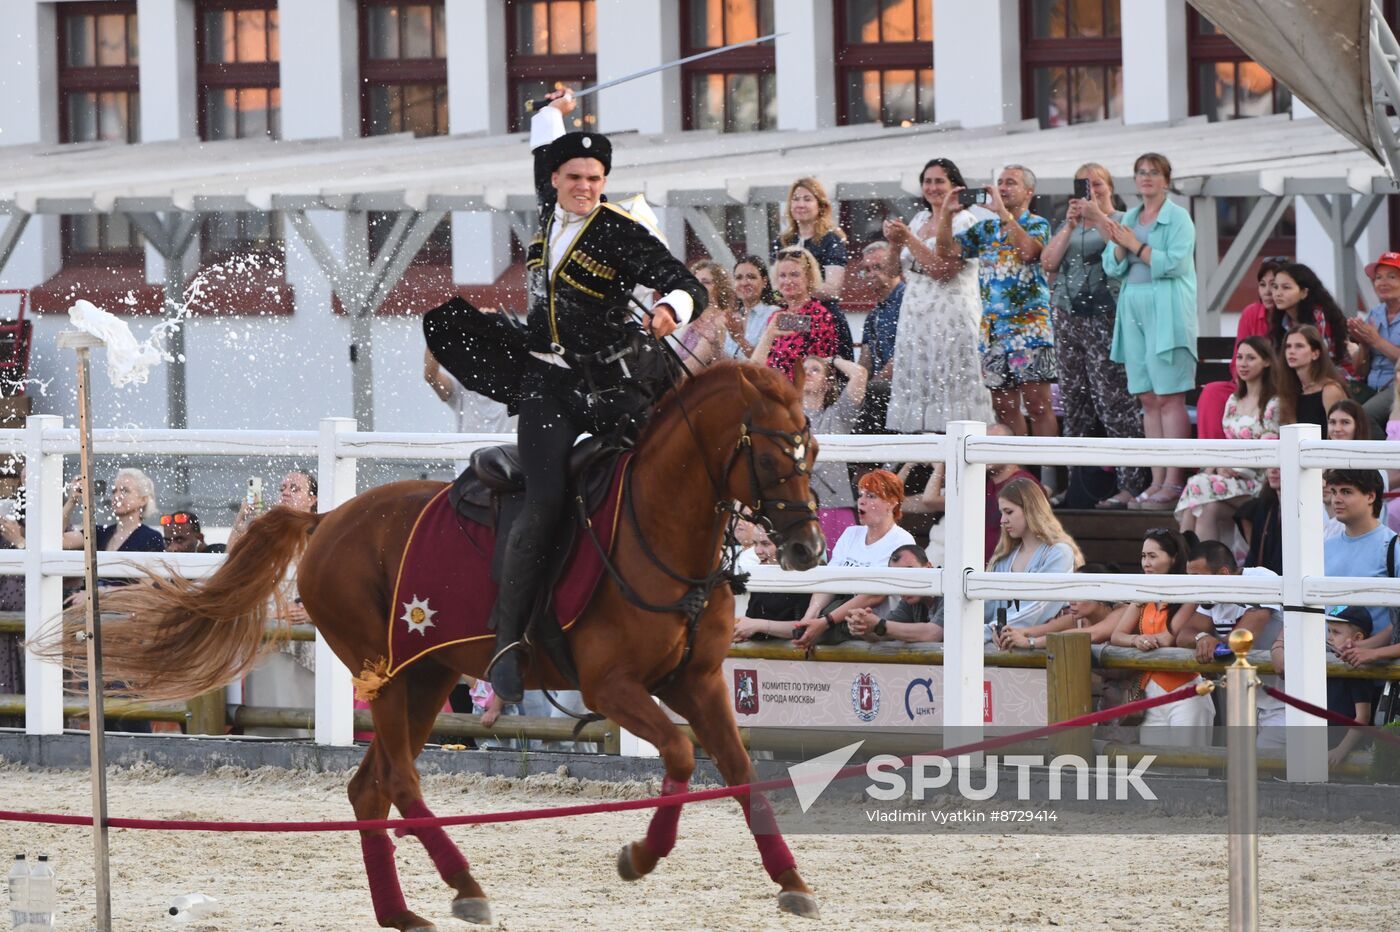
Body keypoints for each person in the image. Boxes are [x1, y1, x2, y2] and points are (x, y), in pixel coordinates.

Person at [422, 89, 707, 702]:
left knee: (667, 475)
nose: (585, 186)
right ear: (553, 179)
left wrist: (666, 310)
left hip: (609, 385)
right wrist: (554, 109)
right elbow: (541, 139)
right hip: (548, 384)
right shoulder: (548, 207)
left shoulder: (619, 232)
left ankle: (677, 606)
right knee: (545, 498)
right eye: (575, 176)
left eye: (596, 178)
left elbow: (685, 283)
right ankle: (508, 641)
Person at [1042, 161, 1147, 508]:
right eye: (1083, 186)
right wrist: (1071, 223)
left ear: (1110, 186)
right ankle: (1078, 484)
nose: (1091, 191)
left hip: (1106, 314)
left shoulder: (1122, 218)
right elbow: (1049, 262)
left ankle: (1129, 483)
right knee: (1075, 401)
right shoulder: (1070, 223)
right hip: (1068, 315)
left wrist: (1098, 213)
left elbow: (1120, 247)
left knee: (1113, 399)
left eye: (1097, 184)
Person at [1101, 152, 1197, 511]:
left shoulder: (1179, 218)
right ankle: (1156, 479)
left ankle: (1174, 481)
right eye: (1141, 172)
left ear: (1166, 180)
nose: (1146, 178)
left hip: (1167, 308)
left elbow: (1175, 263)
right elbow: (1112, 263)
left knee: (1170, 396)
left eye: (1153, 173)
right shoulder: (1128, 216)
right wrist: (1125, 247)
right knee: (1147, 397)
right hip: (1134, 306)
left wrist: (1135, 246)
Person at [936, 164, 1057, 437]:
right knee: (1004, 408)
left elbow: (1029, 252)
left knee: (1038, 405)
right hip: (994, 332)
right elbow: (945, 251)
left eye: (1010, 183)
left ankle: (1048, 475)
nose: (1002, 188)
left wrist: (1003, 213)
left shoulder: (1038, 223)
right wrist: (946, 213)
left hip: (1030, 330)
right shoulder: (985, 229)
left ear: (1029, 191)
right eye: (1000, 182)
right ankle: (1018, 473)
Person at [880, 158, 995, 434]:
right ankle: (921, 460)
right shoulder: (919, 219)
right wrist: (895, 245)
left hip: (951, 314)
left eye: (939, 181)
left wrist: (908, 238)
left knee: (953, 382)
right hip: (917, 315)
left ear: (955, 186)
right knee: (922, 381)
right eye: (927, 181)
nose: (932, 187)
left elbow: (943, 270)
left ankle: (956, 448)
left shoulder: (965, 221)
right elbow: (890, 271)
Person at [1109, 527, 1214, 745]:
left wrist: (1142, 640)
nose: (1145, 563)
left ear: (1173, 558)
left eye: (1152, 556)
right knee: (1155, 766)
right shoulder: (1142, 592)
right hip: (1149, 691)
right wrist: (1136, 640)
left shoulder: (1189, 593)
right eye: (1143, 556)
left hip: (1186, 690)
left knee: (1190, 766)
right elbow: (1117, 635)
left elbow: (1168, 638)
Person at [792, 470, 915, 651]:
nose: (861, 501)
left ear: (892, 502)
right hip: (841, 627)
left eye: (871, 496)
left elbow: (875, 594)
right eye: (860, 495)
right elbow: (830, 581)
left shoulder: (902, 541)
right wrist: (811, 616)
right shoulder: (851, 533)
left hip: (878, 636)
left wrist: (825, 622)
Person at [1178, 540, 1285, 745]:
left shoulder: (1261, 579)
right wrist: (1203, 638)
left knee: (1260, 765)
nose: (1194, 585)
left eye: (1198, 578)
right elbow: (1184, 634)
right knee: (1240, 767)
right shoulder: (1211, 595)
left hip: (1286, 702)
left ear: (1224, 574)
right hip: (1247, 700)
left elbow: (1242, 637)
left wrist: (1214, 644)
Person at [1174, 336, 1279, 542]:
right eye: (1239, 357)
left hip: (1258, 480)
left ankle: (1179, 558)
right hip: (1227, 477)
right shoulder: (1233, 400)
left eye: (1251, 358)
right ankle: (1196, 566)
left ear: (1266, 362)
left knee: (1197, 484)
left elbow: (1267, 451)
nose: (1243, 363)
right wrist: (1220, 466)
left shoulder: (1274, 403)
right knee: (1206, 509)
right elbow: (1226, 443)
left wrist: (1233, 468)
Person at [1195, 258, 1288, 441]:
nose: (1268, 291)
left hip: (1278, 387)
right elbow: (1236, 361)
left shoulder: (1291, 317)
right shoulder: (1251, 313)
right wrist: (1243, 384)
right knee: (1212, 392)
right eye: (1262, 285)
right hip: (1246, 385)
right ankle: (1212, 459)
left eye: (1275, 285)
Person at [982, 477, 1083, 641]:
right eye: (1001, 513)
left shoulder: (1059, 553)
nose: (1002, 520)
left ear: (1030, 509)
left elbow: (1036, 609)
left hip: (1044, 651)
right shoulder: (1003, 557)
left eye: (1009, 512)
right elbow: (986, 607)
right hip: (997, 647)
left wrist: (982, 632)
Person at [772, 177, 853, 351]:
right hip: (790, 316)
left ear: (821, 205)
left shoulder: (831, 240)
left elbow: (833, 289)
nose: (800, 204)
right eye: (796, 199)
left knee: (818, 372)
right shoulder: (783, 241)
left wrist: (798, 289)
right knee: (786, 367)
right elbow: (774, 287)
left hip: (823, 318)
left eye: (807, 199)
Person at [799, 355, 868, 546]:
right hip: (797, 509)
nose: (807, 373)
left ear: (828, 383)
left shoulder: (838, 415)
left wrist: (833, 360)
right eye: (804, 369)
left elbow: (860, 374)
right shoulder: (786, 417)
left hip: (835, 506)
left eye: (815, 370)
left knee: (840, 570)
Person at [1322, 469, 1395, 645]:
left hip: (1379, 667)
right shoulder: (1324, 547)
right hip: (1325, 662)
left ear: (1370, 497)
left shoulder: (1393, 547)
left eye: (1346, 492)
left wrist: (1366, 647)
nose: (1336, 499)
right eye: (1334, 492)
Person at [751, 249, 843, 380]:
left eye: (794, 275)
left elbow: (820, 369)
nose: (787, 281)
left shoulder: (819, 316)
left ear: (808, 278)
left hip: (800, 394)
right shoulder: (776, 316)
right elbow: (761, 363)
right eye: (782, 275)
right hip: (772, 391)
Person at [994, 563, 1123, 650]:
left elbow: (1092, 634)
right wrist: (1010, 633)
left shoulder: (1121, 612)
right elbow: (1037, 630)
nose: (1071, 601)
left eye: (1079, 593)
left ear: (1100, 595)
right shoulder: (1076, 620)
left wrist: (1030, 643)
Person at [1348, 251, 1400, 437]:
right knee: (1338, 411)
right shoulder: (1375, 314)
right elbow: (1360, 371)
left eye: (1391, 277)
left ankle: (1383, 465)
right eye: (1378, 278)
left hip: (1396, 385)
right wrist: (1363, 344)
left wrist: (1376, 341)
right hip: (1371, 386)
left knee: (1365, 416)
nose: (1383, 282)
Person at [845, 545, 943, 643]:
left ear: (929, 567)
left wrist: (879, 625)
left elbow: (933, 633)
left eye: (910, 572)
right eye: (897, 578)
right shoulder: (911, 599)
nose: (904, 583)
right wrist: (862, 627)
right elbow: (881, 635)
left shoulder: (951, 588)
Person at [731, 525, 810, 641]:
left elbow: (807, 627)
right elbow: (752, 621)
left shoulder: (808, 573)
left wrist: (757, 625)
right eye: (755, 544)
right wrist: (743, 631)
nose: (758, 551)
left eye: (766, 544)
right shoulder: (761, 572)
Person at [1268, 262, 1350, 373]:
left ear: (1304, 292)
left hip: (1336, 376)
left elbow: (1323, 361)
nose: (1278, 293)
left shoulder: (1319, 316)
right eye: (1275, 287)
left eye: (1286, 288)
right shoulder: (1282, 319)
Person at [61, 468, 163, 554]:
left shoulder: (151, 538)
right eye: (114, 491)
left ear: (143, 500)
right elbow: (59, 540)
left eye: (125, 491)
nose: (116, 496)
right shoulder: (98, 534)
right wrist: (72, 500)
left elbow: (148, 577)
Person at [1277, 324, 1347, 436]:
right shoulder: (1290, 390)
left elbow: (1338, 435)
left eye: (1299, 346)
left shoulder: (1330, 390)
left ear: (1315, 353)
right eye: (1288, 346)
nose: (1291, 351)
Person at [228, 469, 319, 552]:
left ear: (311, 500)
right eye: (282, 489)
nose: (285, 493)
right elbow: (232, 559)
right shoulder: (267, 528)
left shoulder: (319, 533)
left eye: (294, 489)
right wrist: (241, 520)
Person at [679, 258, 739, 371]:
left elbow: (692, 366)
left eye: (705, 282)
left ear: (719, 287)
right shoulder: (693, 319)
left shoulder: (721, 321)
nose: (699, 287)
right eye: (695, 282)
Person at [726, 255, 781, 358]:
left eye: (751, 277)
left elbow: (766, 360)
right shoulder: (733, 318)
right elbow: (726, 361)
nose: (744, 283)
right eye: (738, 278)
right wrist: (714, 343)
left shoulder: (774, 314)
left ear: (764, 282)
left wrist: (739, 339)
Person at [1234, 467, 1282, 574]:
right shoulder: (1265, 506)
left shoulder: (1308, 508)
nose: (1273, 470)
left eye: (1280, 467)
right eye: (1270, 465)